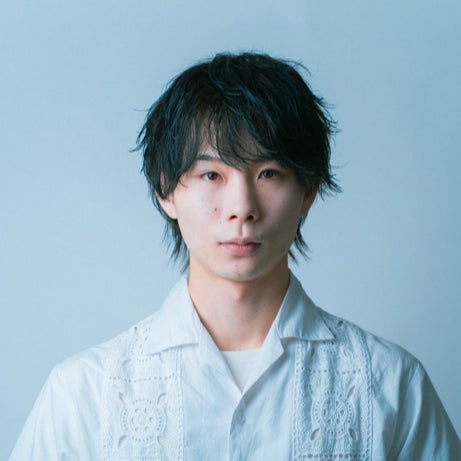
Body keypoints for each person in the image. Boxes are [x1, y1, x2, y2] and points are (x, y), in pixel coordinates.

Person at [10, 52, 461, 460]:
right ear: (166, 190)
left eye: (269, 173)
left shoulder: (390, 384)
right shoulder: (85, 394)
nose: (241, 207)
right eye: (211, 175)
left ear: (307, 191)